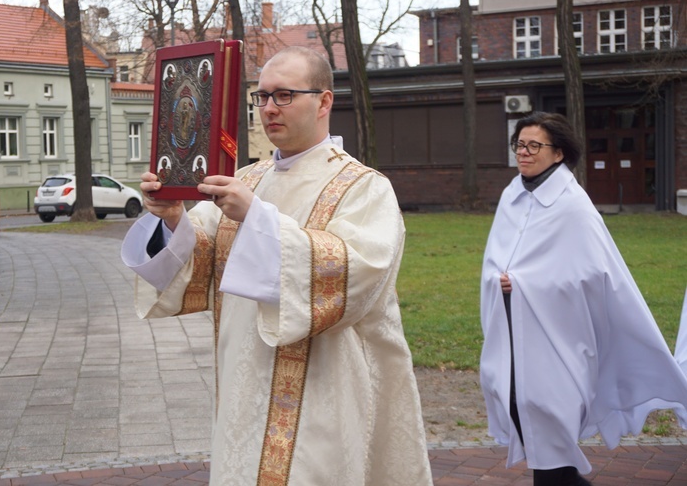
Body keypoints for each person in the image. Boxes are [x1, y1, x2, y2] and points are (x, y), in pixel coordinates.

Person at [121, 46, 432, 485]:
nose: (268, 108)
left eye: (284, 95)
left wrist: (257, 217)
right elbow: (202, 263)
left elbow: (357, 272)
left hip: (323, 390)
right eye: (261, 96)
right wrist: (171, 216)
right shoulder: (246, 180)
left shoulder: (363, 187)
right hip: (244, 384)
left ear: (324, 101)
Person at [479, 111, 687, 486]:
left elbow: (592, 273)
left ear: (558, 153)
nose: (523, 153)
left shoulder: (572, 205)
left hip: (559, 335)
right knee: (517, 407)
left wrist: (524, 284)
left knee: (547, 418)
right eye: (519, 145)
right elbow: (496, 257)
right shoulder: (513, 195)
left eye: (533, 146)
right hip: (511, 329)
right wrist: (500, 281)